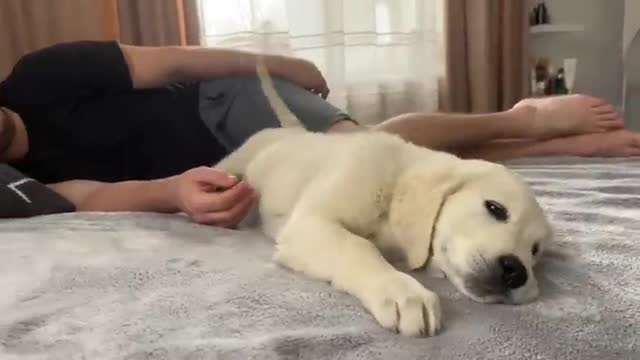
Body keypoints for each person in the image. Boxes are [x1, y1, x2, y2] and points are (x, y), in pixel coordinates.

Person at [0, 41, 637, 227]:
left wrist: (277, 66)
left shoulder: (38, 76)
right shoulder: (11, 186)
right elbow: (82, 197)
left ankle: (520, 121)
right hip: (237, 162)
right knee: (382, 167)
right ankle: (547, 146)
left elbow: (175, 62)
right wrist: (172, 192)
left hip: (226, 105)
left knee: (365, 148)